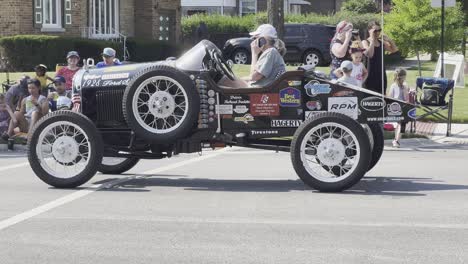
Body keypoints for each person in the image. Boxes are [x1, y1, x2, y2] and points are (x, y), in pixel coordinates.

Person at [219, 24, 286, 88]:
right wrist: (239, 79)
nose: (254, 41)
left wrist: (254, 54)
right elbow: (254, 77)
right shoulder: (272, 52)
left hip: (258, 91)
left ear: (263, 40)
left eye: (256, 38)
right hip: (260, 89)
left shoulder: (271, 52)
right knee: (226, 81)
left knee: (223, 79)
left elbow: (253, 77)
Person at [362, 21, 398, 95]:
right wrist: (372, 40)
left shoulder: (381, 42)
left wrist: (389, 40)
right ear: (369, 31)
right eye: (375, 31)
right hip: (369, 75)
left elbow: (394, 50)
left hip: (380, 74)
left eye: (379, 30)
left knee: (381, 97)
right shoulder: (365, 42)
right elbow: (370, 54)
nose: (377, 33)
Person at [389, 68, 410, 148]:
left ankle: (395, 139)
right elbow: (406, 98)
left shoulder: (393, 85)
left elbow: (390, 97)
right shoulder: (404, 86)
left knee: (398, 124)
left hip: (394, 107)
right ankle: (397, 140)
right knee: (402, 125)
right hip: (402, 107)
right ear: (403, 77)